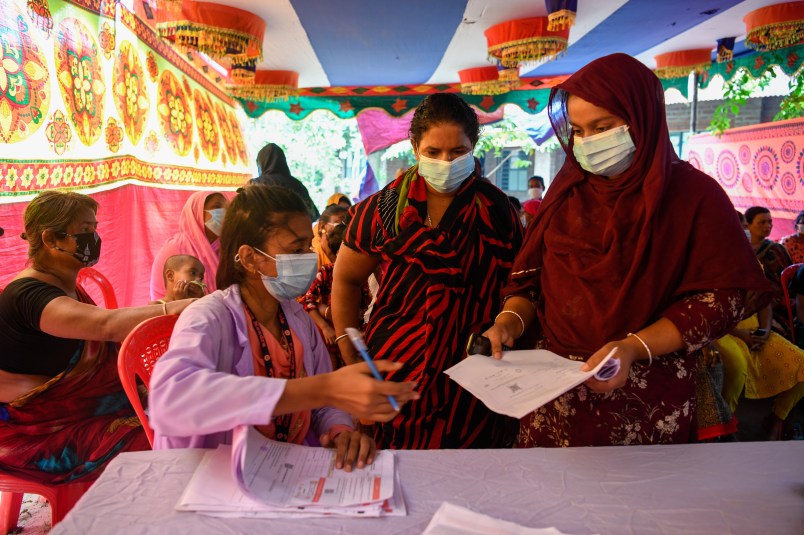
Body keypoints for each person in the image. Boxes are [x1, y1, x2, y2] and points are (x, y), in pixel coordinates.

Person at [484, 53, 770, 448]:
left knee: (638, 503)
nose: (588, 143)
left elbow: (722, 298)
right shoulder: (567, 194)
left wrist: (633, 348)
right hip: (552, 399)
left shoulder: (693, 197)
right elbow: (530, 282)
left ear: (642, 118)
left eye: (603, 127)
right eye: (579, 131)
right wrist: (510, 322)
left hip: (648, 396)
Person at [148, 185, 418, 470]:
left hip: (288, 469)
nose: (308, 258)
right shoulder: (208, 317)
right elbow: (170, 401)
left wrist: (341, 431)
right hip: (215, 475)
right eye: (295, 249)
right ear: (250, 258)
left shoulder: (296, 318)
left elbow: (325, 404)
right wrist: (322, 388)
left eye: (307, 248)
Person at [332, 93, 524, 450]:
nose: (446, 162)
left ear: (474, 146)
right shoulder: (384, 210)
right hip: (394, 367)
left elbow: (519, 285)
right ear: (415, 146)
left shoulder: (496, 210)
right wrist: (348, 346)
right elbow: (346, 278)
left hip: (473, 373)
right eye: (434, 152)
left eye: (458, 152)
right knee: (396, 473)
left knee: (470, 476)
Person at [0, 191, 194, 484]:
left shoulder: (63, 285)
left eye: (95, 228)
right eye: (85, 231)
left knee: (189, 409)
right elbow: (106, 326)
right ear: (51, 239)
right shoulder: (29, 295)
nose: (95, 238)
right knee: (162, 437)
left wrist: (164, 307)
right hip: (35, 430)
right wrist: (176, 307)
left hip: (72, 411)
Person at [715, 303, 804, 440]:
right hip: (722, 332)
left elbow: (764, 303)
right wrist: (741, 334)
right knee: (737, 367)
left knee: (802, 363)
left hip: (754, 332)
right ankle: (726, 424)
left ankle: (776, 419)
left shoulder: (756, 282)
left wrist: (765, 332)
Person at [302, 222, 372, 369]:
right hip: (333, 338)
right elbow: (308, 299)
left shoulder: (363, 273)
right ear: (340, 251)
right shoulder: (327, 271)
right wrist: (325, 327)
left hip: (358, 338)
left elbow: (367, 306)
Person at [149, 190, 228, 301]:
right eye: (217, 207)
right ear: (197, 213)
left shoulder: (227, 248)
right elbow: (160, 295)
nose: (224, 212)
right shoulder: (173, 250)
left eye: (226, 208)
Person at [746, 206, 793, 339]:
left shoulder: (776, 249)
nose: (768, 226)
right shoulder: (740, 251)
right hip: (748, 303)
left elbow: (788, 282)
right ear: (748, 225)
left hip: (776, 303)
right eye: (762, 222)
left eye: (770, 222)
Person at [251, 142, 319, 220]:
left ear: (260, 163)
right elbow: (313, 215)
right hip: (295, 230)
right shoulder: (297, 185)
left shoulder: (254, 185)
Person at [311, 204, 347, 269]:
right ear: (322, 226)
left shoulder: (349, 257)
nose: (345, 228)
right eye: (340, 224)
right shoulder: (313, 261)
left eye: (348, 224)